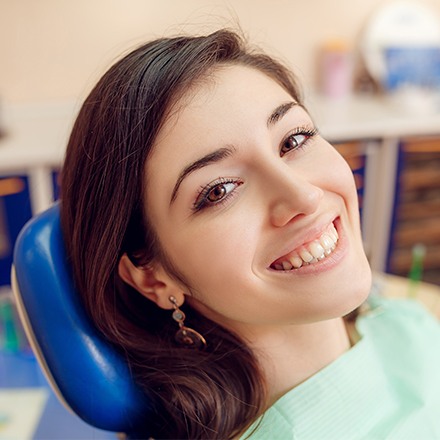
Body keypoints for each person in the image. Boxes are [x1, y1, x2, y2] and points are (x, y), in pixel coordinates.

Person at [60, 29, 440, 439]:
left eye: (294, 140)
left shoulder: (395, 320)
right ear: (153, 277)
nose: (304, 196)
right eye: (219, 190)